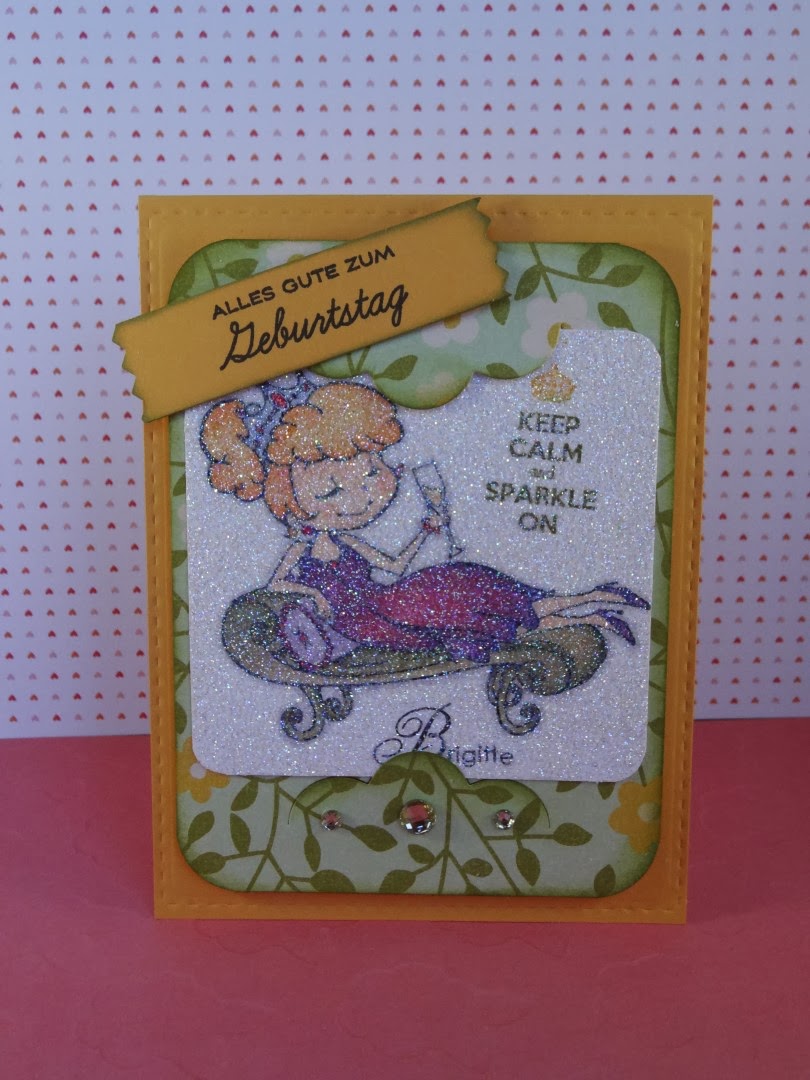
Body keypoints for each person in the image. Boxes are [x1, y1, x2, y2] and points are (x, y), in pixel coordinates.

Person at [200, 380, 648, 667]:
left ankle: (594, 598)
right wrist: (312, 595)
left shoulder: (350, 540)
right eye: (332, 490)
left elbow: (393, 567)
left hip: (390, 599)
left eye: (372, 474)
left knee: (464, 583)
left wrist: (425, 531)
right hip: (369, 621)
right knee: (460, 616)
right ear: (286, 492)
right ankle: (595, 615)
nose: (361, 496)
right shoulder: (303, 547)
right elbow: (275, 586)